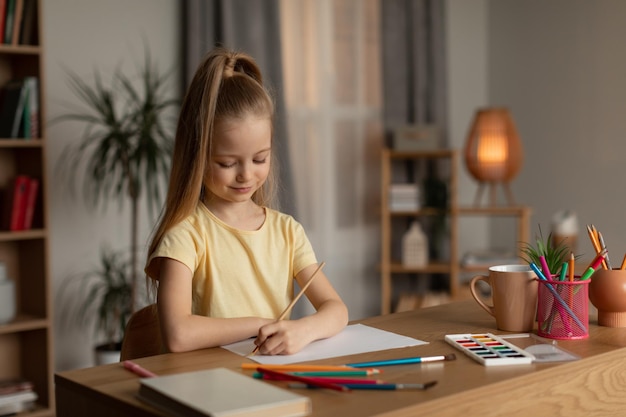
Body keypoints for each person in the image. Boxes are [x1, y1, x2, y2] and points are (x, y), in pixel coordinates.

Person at [145, 47, 348, 355]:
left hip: (271, 381)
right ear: (197, 157)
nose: (246, 175)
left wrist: (303, 330)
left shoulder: (287, 232)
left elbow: (336, 310)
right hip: (209, 386)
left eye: (259, 158)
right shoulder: (185, 235)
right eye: (228, 163)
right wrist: (260, 324)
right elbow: (178, 334)